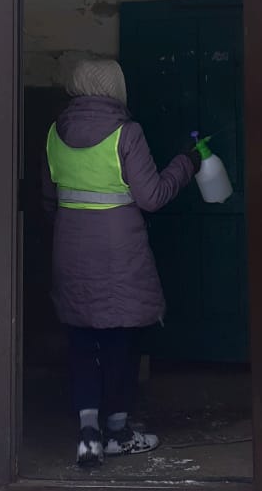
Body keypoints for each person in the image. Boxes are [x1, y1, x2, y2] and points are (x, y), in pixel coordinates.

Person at [42, 57, 201, 468]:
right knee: (118, 342)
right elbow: (152, 196)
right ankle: (117, 432)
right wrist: (186, 164)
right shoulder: (127, 133)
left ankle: (87, 435)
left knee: (81, 340)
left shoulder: (54, 134)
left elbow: (49, 200)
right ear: (116, 89)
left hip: (70, 249)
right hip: (118, 254)